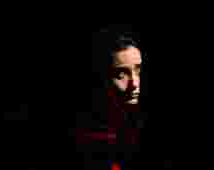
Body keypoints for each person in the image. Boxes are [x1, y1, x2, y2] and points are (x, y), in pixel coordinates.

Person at [72, 25, 168, 170]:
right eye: (121, 74)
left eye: (138, 70)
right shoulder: (89, 137)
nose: (134, 83)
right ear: (101, 78)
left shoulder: (138, 123)